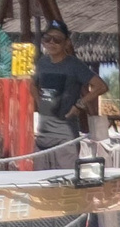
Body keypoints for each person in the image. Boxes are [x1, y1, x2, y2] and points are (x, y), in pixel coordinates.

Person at [28, 22, 104, 167]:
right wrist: (39, 102)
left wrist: (78, 105)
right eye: (47, 38)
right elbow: (32, 84)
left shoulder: (74, 65)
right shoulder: (42, 63)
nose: (51, 42)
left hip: (65, 136)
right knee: (41, 183)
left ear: (66, 42)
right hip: (43, 137)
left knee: (66, 181)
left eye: (57, 39)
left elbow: (100, 86)